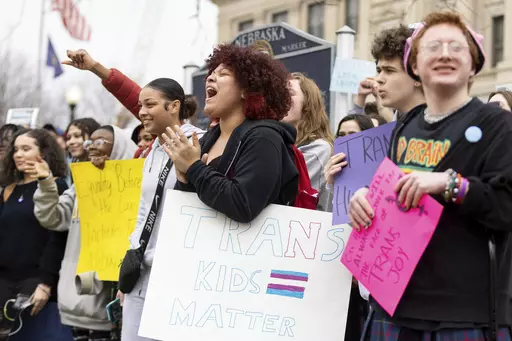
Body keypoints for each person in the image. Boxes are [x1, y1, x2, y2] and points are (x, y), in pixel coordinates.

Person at [350, 11, 512, 340]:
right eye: (433, 46)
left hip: (462, 314)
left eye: (457, 47)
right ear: (415, 64)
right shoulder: (405, 127)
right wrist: (363, 198)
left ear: (474, 64)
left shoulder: (496, 124)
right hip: (392, 307)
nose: (444, 54)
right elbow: (392, 194)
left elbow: (504, 208)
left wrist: (448, 184)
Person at [164, 43, 299, 222]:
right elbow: (193, 209)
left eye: (223, 74)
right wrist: (184, 180)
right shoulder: (208, 139)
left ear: (247, 90)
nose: (210, 78)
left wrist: (194, 168)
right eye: (211, 74)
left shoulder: (264, 138)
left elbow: (243, 205)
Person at [28, 125, 136, 341]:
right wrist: (46, 183)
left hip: (109, 308)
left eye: (100, 142)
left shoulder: (135, 188)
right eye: (90, 143)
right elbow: (53, 218)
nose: (91, 148)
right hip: (76, 302)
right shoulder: (82, 185)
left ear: (120, 148)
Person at [0, 128, 71, 341]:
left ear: (44, 152)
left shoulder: (54, 185)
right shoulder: (8, 189)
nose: (18, 154)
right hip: (4, 280)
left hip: (36, 282)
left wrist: (45, 283)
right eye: (15, 149)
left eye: (26, 149)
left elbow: (56, 239)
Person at [281, 72, 333, 211]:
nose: (280, 98)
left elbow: (284, 187)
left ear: (308, 103)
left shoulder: (320, 148)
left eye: (290, 93)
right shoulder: (281, 141)